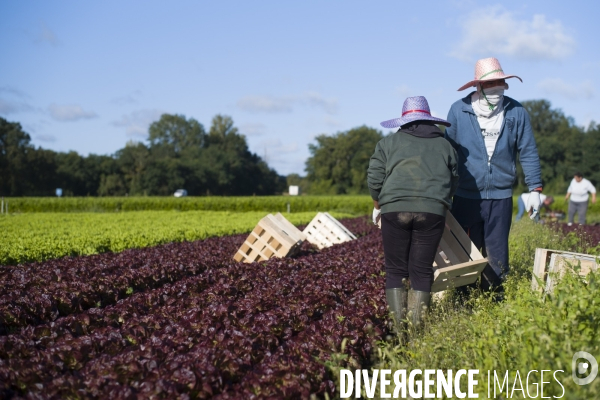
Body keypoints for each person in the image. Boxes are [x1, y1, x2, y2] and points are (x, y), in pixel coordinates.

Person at [445, 57, 542, 291]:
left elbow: (528, 150)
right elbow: (447, 153)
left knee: (497, 250)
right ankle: (464, 299)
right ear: (478, 86)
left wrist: (535, 189)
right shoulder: (459, 110)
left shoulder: (516, 111)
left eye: (501, 83)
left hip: (500, 196)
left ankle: (495, 295)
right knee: (467, 249)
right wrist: (445, 191)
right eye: (491, 84)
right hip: (467, 195)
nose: (497, 88)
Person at [367, 96, 459, 329]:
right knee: (421, 270)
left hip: (395, 209)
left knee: (396, 269)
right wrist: (442, 201)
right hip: (432, 212)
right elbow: (454, 178)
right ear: (429, 120)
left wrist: (377, 204)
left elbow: (375, 176)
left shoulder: (388, 144)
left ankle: (400, 332)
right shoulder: (445, 145)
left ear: (404, 122)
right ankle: (417, 332)